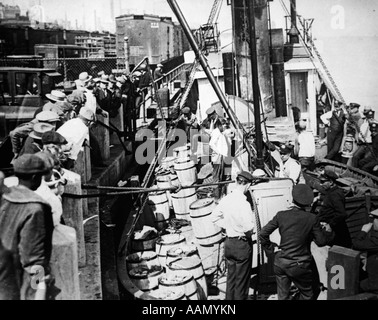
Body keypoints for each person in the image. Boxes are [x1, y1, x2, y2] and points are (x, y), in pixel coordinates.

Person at [259, 184, 332, 300]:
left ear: (293, 199)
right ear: (308, 203)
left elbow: (262, 233)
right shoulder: (312, 218)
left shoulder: (281, 215)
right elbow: (321, 242)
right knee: (307, 294)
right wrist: (327, 231)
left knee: (282, 296)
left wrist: (270, 249)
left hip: (280, 262)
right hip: (299, 265)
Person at [0, 154, 54, 300]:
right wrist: (39, 290)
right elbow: (34, 261)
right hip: (14, 285)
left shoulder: (5, 196)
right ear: (35, 176)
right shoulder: (35, 208)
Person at [211, 171, 255, 300]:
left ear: (236, 182)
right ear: (248, 185)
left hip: (229, 243)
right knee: (241, 282)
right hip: (241, 244)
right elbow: (249, 227)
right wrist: (246, 232)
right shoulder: (244, 204)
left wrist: (227, 225)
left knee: (231, 279)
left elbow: (214, 217)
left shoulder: (226, 199)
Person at [315, 168, 352, 248]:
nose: (321, 184)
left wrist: (330, 225)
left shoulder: (335, 195)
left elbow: (342, 214)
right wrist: (319, 197)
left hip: (335, 231)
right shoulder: (332, 192)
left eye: (323, 182)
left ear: (331, 182)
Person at [353, 208, 378, 294]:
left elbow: (356, 244)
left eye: (375, 218)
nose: (373, 221)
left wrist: (363, 231)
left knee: (352, 287)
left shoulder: (376, 241)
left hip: (374, 284)